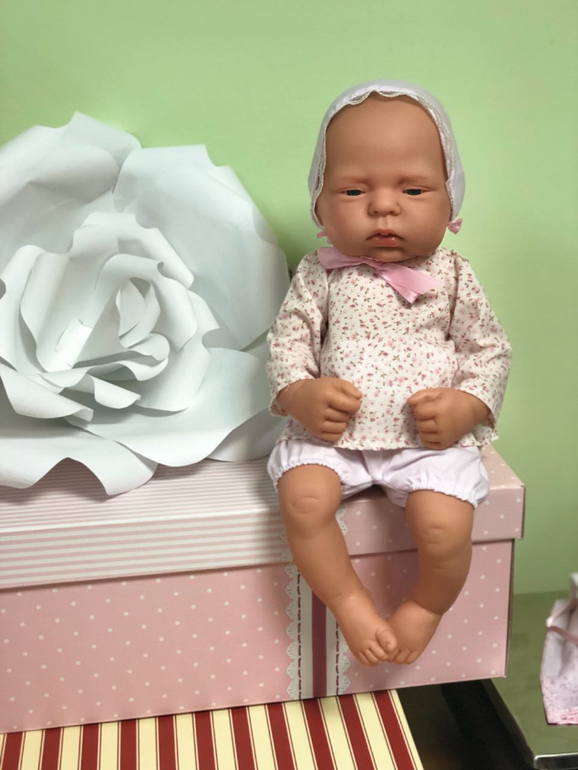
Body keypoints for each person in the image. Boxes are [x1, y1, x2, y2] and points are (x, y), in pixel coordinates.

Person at [266, 81, 511, 666]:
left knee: (444, 524)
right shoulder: (319, 273)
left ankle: (425, 606)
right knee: (302, 501)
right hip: (333, 439)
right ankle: (350, 603)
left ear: (450, 201)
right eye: (353, 189)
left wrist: (466, 404)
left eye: (413, 188)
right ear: (319, 205)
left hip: (426, 442)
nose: (382, 206)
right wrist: (300, 394)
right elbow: (288, 341)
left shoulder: (452, 274)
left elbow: (489, 350)